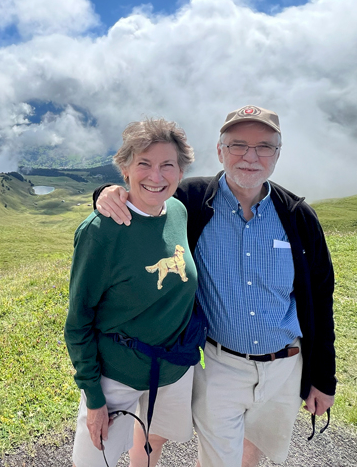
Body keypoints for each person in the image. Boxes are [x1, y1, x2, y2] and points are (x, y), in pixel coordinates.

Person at [94, 105, 336, 467]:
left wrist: (323, 377)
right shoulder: (191, 202)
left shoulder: (299, 216)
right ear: (220, 151)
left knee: (254, 446)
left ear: (277, 154)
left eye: (264, 147)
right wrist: (106, 192)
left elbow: (320, 296)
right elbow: (147, 195)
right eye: (238, 145)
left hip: (287, 366)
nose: (250, 157)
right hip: (221, 365)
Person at [65, 118, 206, 467]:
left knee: (151, 443)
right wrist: (94, 399)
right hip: (117, 379)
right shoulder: (100, 231)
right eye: (144, 163)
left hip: (172, 369)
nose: (156, 176)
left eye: (167, 165)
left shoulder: (178, 211)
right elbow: (78, 321)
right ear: (125, 168)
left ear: (181, 171)